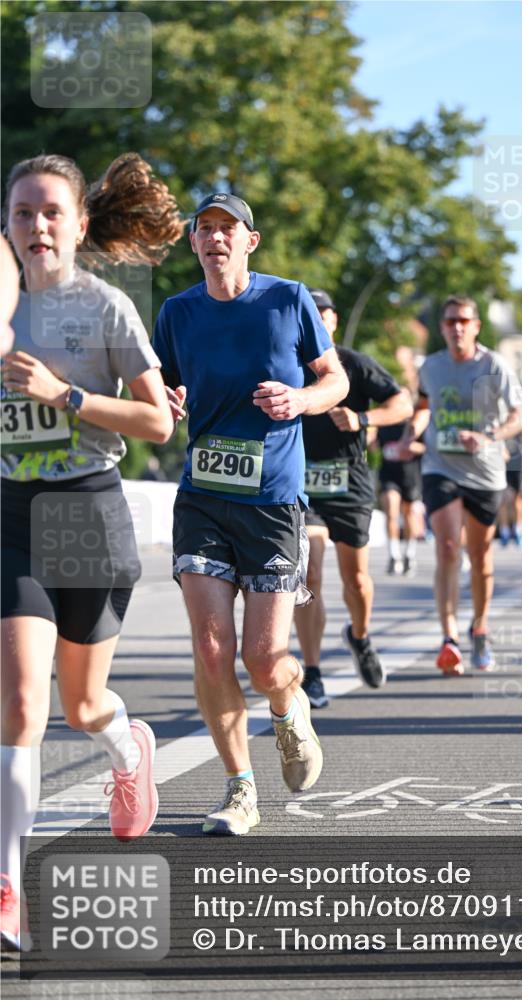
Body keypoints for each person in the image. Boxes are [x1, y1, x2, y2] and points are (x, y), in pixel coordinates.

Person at [1, 153, 181, 950]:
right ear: (6, 227)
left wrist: (64, 395)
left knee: (81, 707)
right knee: (20, 705)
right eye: (22, 213)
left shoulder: (106, 308)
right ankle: (8, 884)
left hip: (87, 513)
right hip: (12, 513)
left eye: (51, 212)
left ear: (78, 224)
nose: (37, 226)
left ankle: (125, 745)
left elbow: (157, 423)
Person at [152, 197, 348, 837]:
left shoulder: (287, 299)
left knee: (265, 659)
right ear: (193, 242)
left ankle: (289, 706)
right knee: (212, 648)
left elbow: (335, 380)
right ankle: (240, 788)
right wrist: (166, 400)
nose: (215, 238)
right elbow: (159, 388)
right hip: (203, 496)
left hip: (272, 501)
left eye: (227, 229)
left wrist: (300, 399)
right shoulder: (177, 312)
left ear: (250, 241)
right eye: (205, 229)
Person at [294, 290, 413, 708]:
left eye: (322, 314)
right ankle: (312, 672)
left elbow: (402, 403)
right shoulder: (286, 362)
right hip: (302, 484)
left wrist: (363, 418)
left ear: (334, 321)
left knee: (356, 581)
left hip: (349, 481)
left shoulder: (353, 364)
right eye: (307, 313)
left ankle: (359, 637)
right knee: (309, 574)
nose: (315, 320)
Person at [404, 295, 522, 673]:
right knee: (446, 548)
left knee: (481, 558)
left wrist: (490, 438)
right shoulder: (431, 367)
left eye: (463, 320)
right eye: (450, 321)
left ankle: (480, 627)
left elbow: (521, 415)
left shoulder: (494, 365)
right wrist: (410, 433)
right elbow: (424, 407)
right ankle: (449, 637)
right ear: (442, 328)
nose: (456, 327)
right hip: (440, 467)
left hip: (485, 472)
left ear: (476, 326)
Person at [377, 420, 425, 576]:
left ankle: (409, 554)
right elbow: (374, 447)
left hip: (411, 475)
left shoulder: (416, 422)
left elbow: (427, 447)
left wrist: (411, 447)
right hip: (389, 475)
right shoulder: (384, 422)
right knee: (391, 511)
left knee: (409, 514)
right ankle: (394, 555)